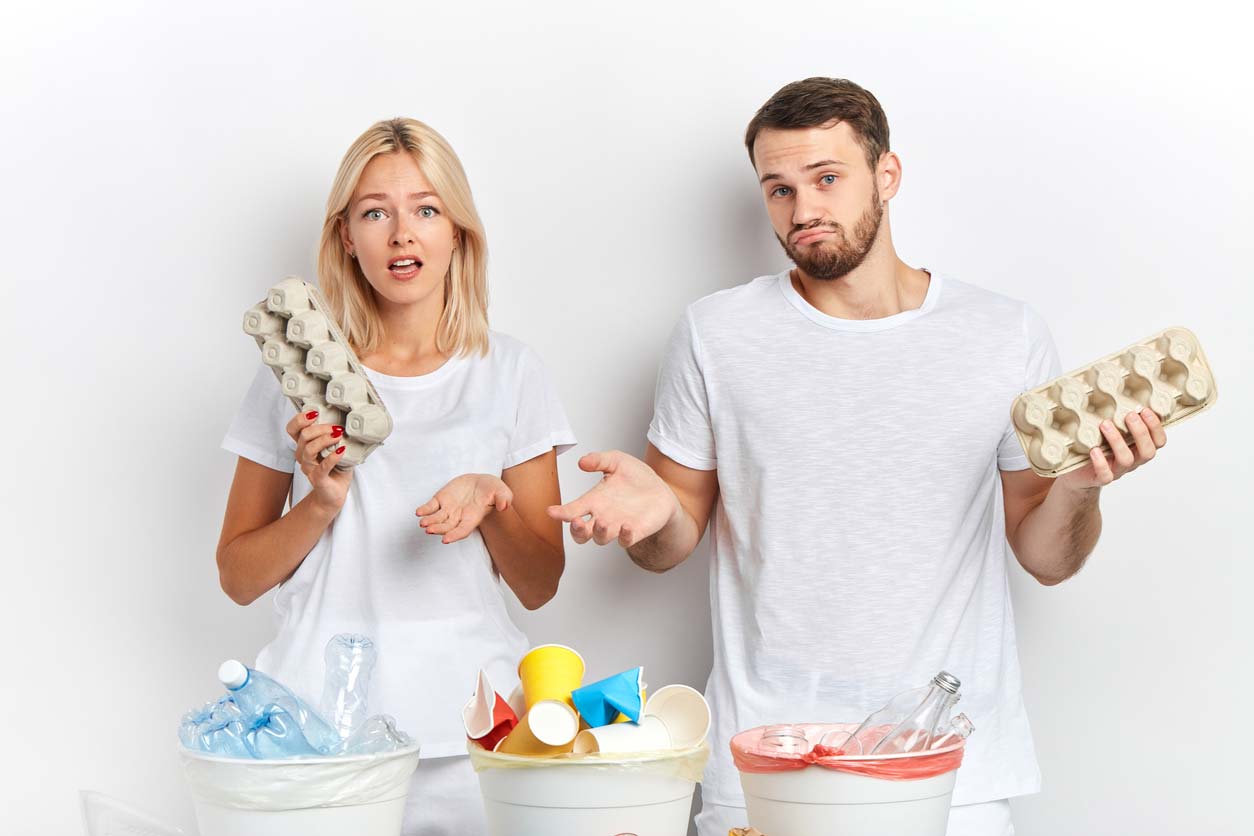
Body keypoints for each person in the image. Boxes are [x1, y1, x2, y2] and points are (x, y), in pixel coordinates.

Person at [548, 78, 1167, 836]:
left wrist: (1079, 489)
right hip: (769, 770)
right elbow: (671, 539)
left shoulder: (1003, 336)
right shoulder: (717, 334)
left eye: (826, 179)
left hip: (950, 779)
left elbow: (1046, 556)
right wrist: (652, 518)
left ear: (887, 175)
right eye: (778, 189)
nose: (802, 210)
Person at [217, 118, 575, 835]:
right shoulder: (295, 377)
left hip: (475, 731)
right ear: (346, 235)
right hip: (319, 731)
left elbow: (539, 584)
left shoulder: (510, 372)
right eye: (375, 212)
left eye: (426, 209)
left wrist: (494, 499)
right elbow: (238, 575)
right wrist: (318, 505)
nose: (401, 234)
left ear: (457, 233)